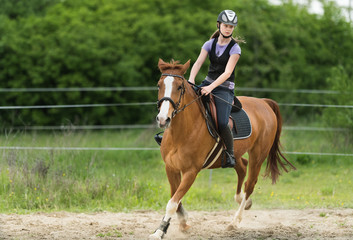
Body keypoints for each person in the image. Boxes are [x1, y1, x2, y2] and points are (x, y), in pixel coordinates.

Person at [188, 9, 243, 168]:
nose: (228, 29)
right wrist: (191, 80)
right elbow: (198, 63)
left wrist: (211, 87)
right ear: (219, 25)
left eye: (231, 27)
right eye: (226, 25)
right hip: (207, 83)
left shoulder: (235, 49)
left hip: (224, 88)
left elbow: (227, 73)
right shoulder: (209, 44)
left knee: (222, 121)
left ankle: (230, 154)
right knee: (184, 103)